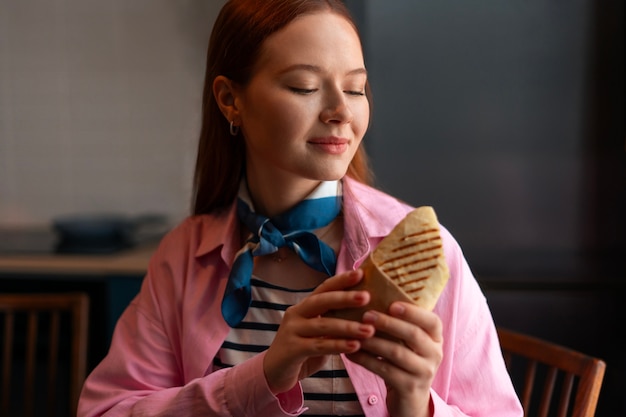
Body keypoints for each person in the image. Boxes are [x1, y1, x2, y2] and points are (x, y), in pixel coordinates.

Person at [78, 1, 523, 416]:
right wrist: (265, 375)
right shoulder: (182, 257)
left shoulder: (426, 252)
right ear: (231, 100)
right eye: (304, 86)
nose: (340, 111)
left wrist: (416, 404)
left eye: (355, 88)